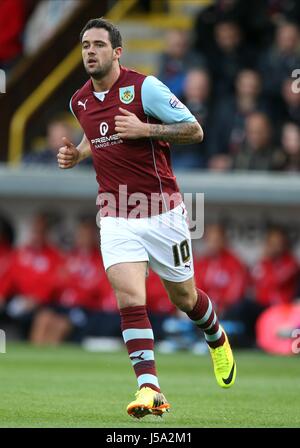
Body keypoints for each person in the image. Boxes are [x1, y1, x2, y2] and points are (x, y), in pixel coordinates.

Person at [57, 18, 236, 419]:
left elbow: (195, 130)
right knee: (129, 299)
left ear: (117, 52)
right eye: (85, 45)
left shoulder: (145, 88)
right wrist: (78, 155)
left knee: (184, 299)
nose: (90, 51)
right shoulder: (79, 101)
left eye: (99, 45)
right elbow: (95, 137)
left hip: (163, 213)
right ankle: (149, 387)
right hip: (116, 212)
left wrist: (145, 128)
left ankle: (216, 335)